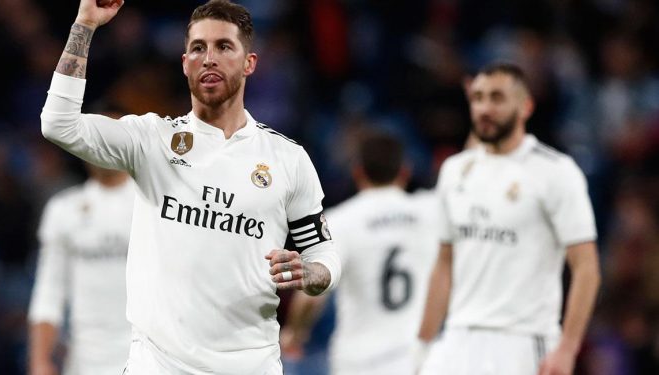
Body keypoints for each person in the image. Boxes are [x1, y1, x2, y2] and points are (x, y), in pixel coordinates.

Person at [39, 1, 341, 374]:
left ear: (250, 63)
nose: (209, 58)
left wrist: (311, 275)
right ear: (185, 63)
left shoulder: (287, 159)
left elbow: (323, 253)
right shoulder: (151, 140)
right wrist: (84, 25)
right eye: (198, 48)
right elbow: (58, 124)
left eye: (224, 47)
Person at [416, 62, 601, 375]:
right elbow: (444, 264)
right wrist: (422, 345)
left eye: (497, 98)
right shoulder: (455, 170)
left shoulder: (556, 172)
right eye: (478, 98)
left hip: (524, 341)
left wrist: (568, 347)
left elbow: (586, 267)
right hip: (458, 338)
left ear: (525, 106)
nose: (485, 108)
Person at [281, 133, 440, 375]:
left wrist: (295, 332)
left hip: (358, 361)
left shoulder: (341, 222)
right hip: (417, 358)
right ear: (405, 171)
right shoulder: (430, 211)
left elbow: (314, 293)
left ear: (357, 172)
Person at [28, 162, 135, 375]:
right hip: (83, 363)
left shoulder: (154, 205)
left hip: (146, 360)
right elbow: (49, 291)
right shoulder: (63, 209)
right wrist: (39, 361)